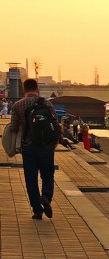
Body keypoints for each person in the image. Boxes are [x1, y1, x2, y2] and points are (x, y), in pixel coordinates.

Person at [11, 78, 60, 220]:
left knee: (31, 179)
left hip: (29, 147)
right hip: (46, 146)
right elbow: (55, 123)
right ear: (37, 88)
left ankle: (37, 210)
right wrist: (54, 143)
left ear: (24, 89)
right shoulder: (46, 103)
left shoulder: (18, 105)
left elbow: (14, 127)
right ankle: (45, 197)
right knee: (47, 176)